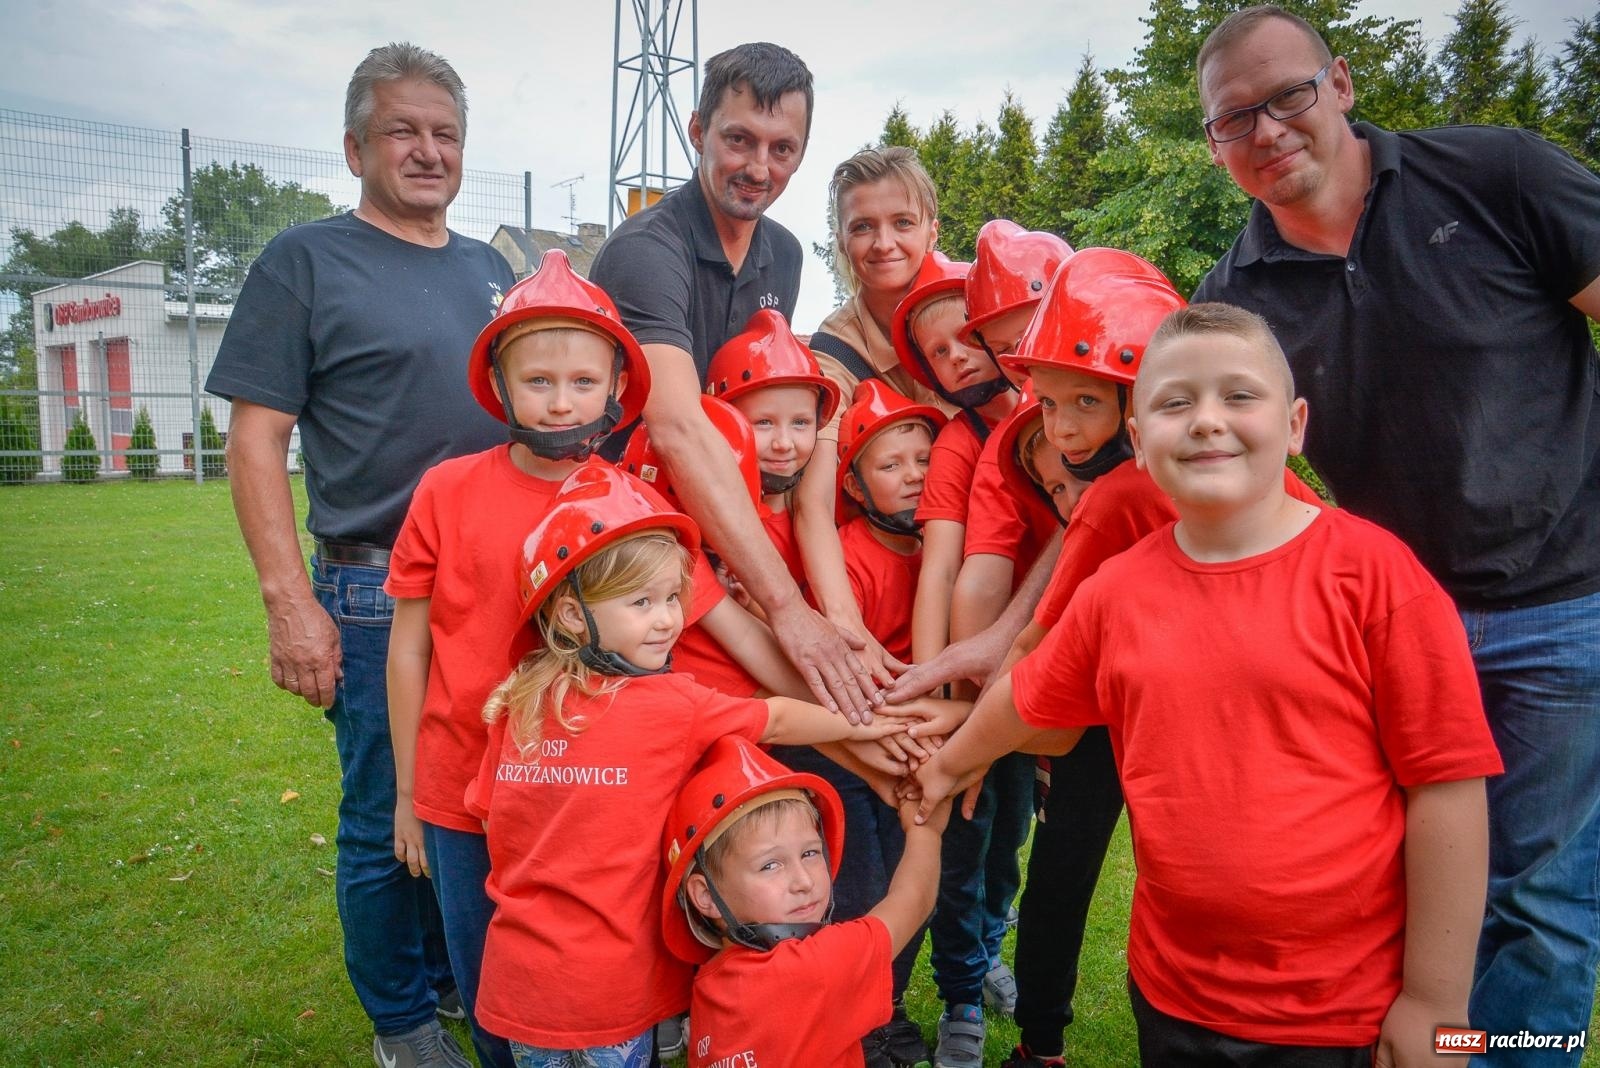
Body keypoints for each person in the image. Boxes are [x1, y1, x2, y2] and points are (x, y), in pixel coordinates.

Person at [915, 302, 1503, 1067]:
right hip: (1173, 997)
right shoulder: (1115, 591)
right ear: (1138, 439)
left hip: (1342, 1013)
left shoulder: (1377, 577)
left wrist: (1435, 1002)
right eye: (1174, 403)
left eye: (1238, 395)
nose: (1205, 421)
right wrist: (950, 763)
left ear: (1294, 425)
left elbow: (1449, 788)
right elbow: (1028, 695)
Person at [1189, 7, 1600, 1057]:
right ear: (1213, 144)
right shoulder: (1233, 300)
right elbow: (1193, 472)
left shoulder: (1498, 176)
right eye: (1235, 118)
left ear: (1340, 82)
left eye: (1286, 94)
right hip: (1386, 626)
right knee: (1384, 874)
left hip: (1565, 601)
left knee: (1542, 904)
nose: (1268, 127)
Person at [205, 42, 513, 1068]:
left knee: (476, 801)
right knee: (390, 815)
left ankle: (456, 981)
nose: (427, 151)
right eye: (403, 131)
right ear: (354, 147)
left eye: (445, 134)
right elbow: (255, 438)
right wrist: (290, 603)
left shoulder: (489, 270)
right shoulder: (304, 261)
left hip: (501, 583)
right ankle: (404, 1025)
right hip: (377, 585)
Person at [466, 465, 939, 1066]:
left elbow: (490, 821)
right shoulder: (669, 704)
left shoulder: (517, 706)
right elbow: (783, 719)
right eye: (642, 602)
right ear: (567, 613)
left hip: (521, 982)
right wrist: (877, 722)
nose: (667, 619)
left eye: (672, 598)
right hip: (610, 989)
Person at [383, 248, 650, 1068]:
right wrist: (406, 795)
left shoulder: (633, 501)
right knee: (486, 979)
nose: (561, 399)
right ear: (499, 385)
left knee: (587, 977)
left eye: (580, 381)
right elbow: (409, 646)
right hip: (460, 793)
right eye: (537, 380)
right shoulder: (445, 491)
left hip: (583, 794)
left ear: (614, 388)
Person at [589, 42, 882, 723]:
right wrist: (788, 606)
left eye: (783, 149)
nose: (758, 167)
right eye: (739, 140)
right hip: (640, 540)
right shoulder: (644, 251)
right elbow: (679, 426)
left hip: (723, 540)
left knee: (812, 725)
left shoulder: (780, 251)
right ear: (698, 131)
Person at [661, 735, 952, 1068]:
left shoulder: (708, 983)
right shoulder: (814, 968)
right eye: (770, 865)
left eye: (810, 853)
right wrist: (926, 830)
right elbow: (914, 900)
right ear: (705, 895)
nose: (803, 881)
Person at [704, 308, 843, 596]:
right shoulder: (714, 526)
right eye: (764, 422)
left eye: (800, 423)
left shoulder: (827, 512)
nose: (784, 442)